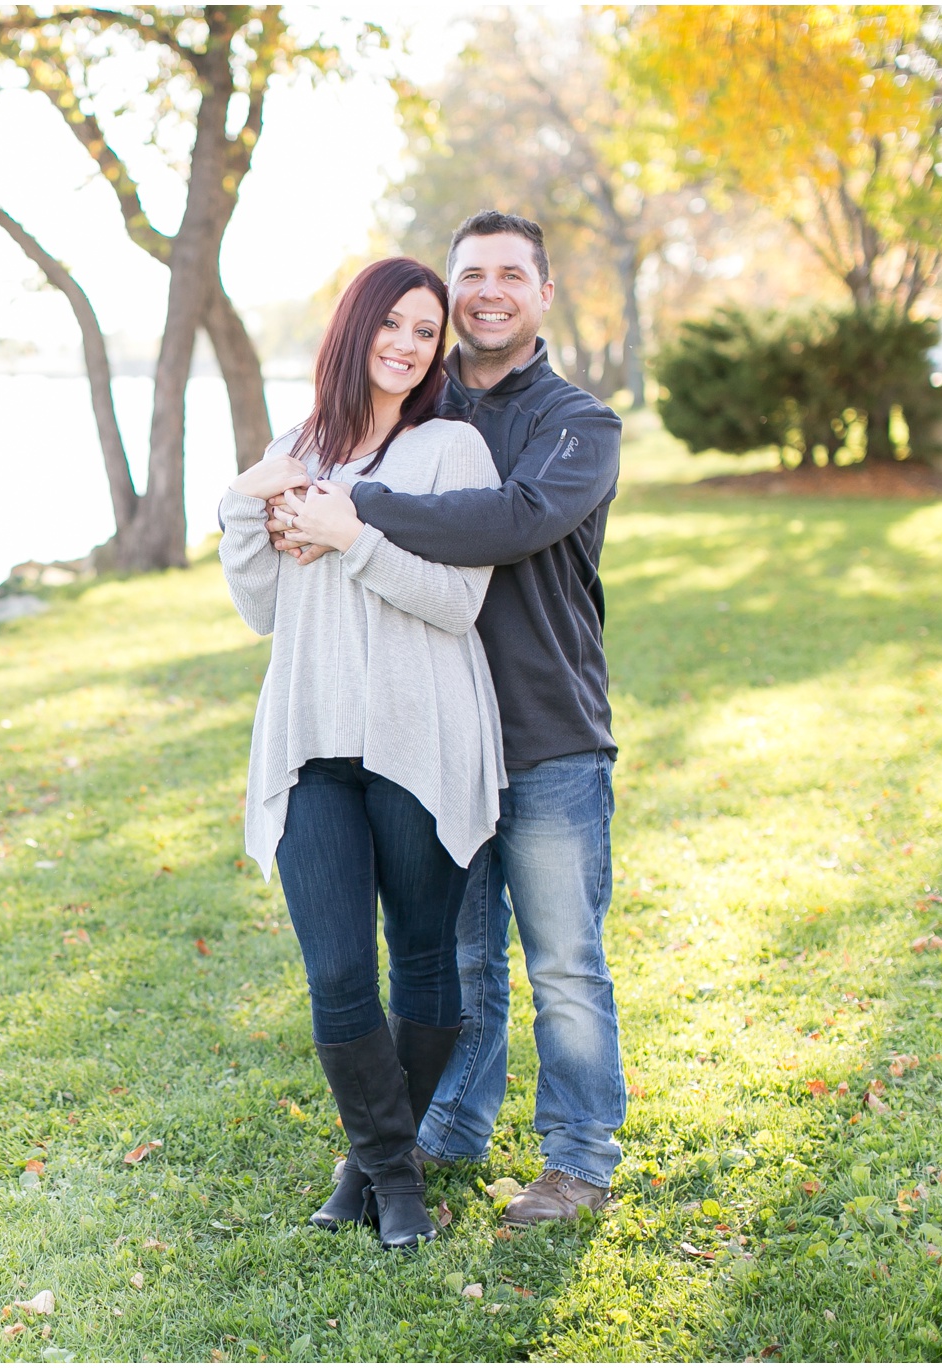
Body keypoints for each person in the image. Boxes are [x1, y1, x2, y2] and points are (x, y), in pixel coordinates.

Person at [271, 210, 626, 1227]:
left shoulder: (575, 425)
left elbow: (510, 523)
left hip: (546, 728)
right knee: (455, 958)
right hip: (433, 738)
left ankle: (576, 1159)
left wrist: (354, 511)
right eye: (470, 274)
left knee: (561, 957)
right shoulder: (415, 417)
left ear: (542, 294)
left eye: (510, 274)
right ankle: (449, 1126)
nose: (487, 291)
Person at [218, 256, 505, 1250]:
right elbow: (261, 609)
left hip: (417, 737)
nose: (405, 344)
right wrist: (237, 511)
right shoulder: (292, 449)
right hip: (308, 744)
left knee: (422, 961)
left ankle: (369, 1174)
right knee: (337, 971)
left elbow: (458, 601)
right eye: (391, 323)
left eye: (424, 331)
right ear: (354, 328)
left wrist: (350, 534)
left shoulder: (449, 451)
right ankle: (394, 1177)